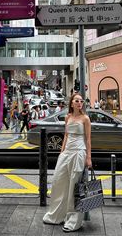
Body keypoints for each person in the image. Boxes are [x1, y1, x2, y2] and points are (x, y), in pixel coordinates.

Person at [43, 93, 92, 233]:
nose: (79, 103)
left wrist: (88, 157)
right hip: (67, 153)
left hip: (79, 153)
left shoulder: (85, 119)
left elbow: (88, 139)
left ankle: (73, 221)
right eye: (77, 100)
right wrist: (61, 152)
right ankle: (56, 216)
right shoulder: (68, 117)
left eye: (81, 101)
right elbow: (66, 135)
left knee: (74, 187)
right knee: (58, 183)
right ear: (71, 103)